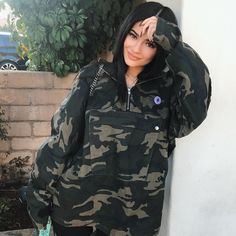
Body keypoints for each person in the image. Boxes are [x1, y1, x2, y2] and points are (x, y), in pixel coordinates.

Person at [26, 2, 211, 236]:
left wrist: (173, 42)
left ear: (161, 48)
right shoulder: (93, 76)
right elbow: (61, 141)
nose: (136, 48)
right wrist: (38, 196)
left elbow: (196, 108)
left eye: (150, 43)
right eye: (133, 35)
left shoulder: (167, 89)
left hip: (134, 220)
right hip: (77, 213)